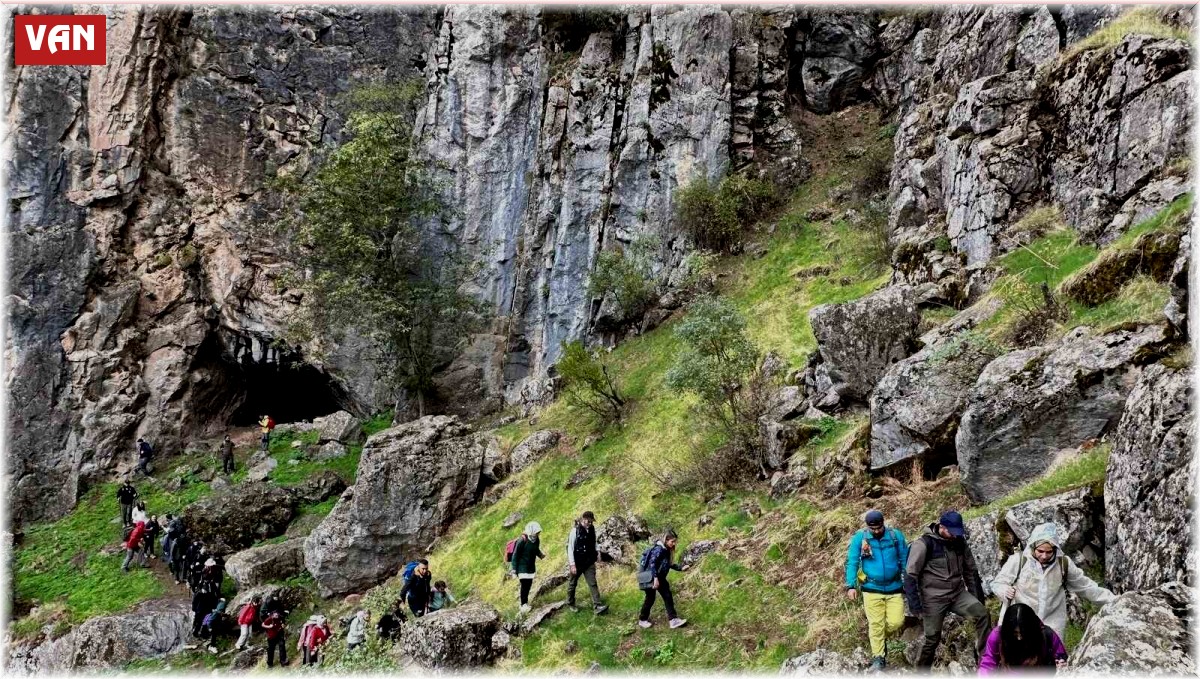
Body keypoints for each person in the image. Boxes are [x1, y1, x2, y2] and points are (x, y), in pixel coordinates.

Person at [990, 522, 1116, 641]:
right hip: (1019, 625)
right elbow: (997, 583)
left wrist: (1114, 601)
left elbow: (1086, 587)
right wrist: (1004, 590)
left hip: (1051, 627)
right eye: (1040, 551)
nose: (1044, 556)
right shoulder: (1018, 561)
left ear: (1055, 549)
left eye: (1049, 552)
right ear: (1033, 547)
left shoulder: (1063, 564)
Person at [904, 510, 990, 669]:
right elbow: (910, 576)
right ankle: (921, 671)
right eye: (952, 532)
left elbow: (970, 571)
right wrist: (915, 607)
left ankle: (986, 661)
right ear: (942, 527)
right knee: (932, 638)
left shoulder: (959, 541)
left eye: (958, 532)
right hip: (933, 599)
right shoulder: (923, 544)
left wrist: (977, 598)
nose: (956, 536)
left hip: (957, 594)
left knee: (982, 615)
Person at [845, 509, 909, 671]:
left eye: (879, 528)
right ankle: (878, 657)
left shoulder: (895, 536)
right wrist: (851, 585)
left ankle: (878, 640)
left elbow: (905, 560)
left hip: (894, 587)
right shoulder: (860, 538)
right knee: (875, 624)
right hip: (871, 588)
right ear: (867, 526)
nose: (876, 531)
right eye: (872, 529)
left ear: (883, 524)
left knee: (896, 622)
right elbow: (852, 562)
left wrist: (908, 581)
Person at [978, 603, 1068, 673]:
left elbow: (1061, 659)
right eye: (1015, 633)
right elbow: (988, 663)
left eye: (1023, 632)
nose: (1019, 638)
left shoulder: (1047, 635)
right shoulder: (997, 635)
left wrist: (1061, 665)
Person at [637, 529, 689, 629]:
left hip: (660, 577)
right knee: (650, 599)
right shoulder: (659, 549)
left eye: (675, 541)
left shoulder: (666, 550)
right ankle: (642, 620)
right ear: (666, 540)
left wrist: (681, 568)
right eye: (672, 541)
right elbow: (652, 563)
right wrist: (655, 578)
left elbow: (669, 564)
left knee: (667, 596)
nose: (673, 544)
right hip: (653, 578)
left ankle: (673, 620)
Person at [567, 510, 609, 615]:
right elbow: (570, 549)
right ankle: (570, 603)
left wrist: (598, 552)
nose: (590, 524)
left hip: (589, 562)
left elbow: (594, 542)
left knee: (593, 583)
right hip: (577, 563)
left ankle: (597, 606)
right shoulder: (574, 531)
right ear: (583, 519)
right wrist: (572, 564)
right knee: (573, 583)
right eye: (589, 521)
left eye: (591, 522)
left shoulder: (592, 529)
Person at [512, 521, 545, 613]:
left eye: (538, 532)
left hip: (530, 567)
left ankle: (525, 603)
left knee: (529, 585)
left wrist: (541, 555)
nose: (538, 534)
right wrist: (514, 570)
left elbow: (535, 549)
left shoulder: (536, 539)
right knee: (524, 585)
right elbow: (515, 555)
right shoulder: (522, 540)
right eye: (537, 532)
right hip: (522, 567)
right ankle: (523, 605)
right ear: (532, 530)